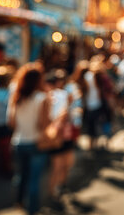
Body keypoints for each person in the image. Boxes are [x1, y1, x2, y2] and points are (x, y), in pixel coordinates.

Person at [8, 63, 50, 215]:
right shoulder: (42, 98)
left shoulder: (16, 97)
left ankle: (19, 202)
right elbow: (43, 125)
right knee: (34, 179)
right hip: (35, 142)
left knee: (21, 176)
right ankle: (33, 210)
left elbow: (11, 122)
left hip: (18, 141)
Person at [46, 69, 77, 209]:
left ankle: (59, 188)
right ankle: (54, 192)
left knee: (65, 163)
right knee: (59, 165)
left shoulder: (63, 95)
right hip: (58, 132)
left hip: (62, 132)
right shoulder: (54, 96)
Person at [0, 65, 14, 176]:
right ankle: (6, 167)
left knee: (1, 145)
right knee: (5, 146)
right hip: (5, 123)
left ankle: (2, 165)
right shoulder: (10, 93)